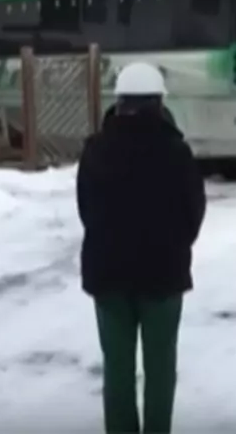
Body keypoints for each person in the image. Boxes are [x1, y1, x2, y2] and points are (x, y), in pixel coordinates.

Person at [77, 61, 206, 434]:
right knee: (161, 369)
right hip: (163, 278)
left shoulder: (95, 151)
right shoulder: (176, 152)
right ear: (159, 103)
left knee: (117, 371)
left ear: (118, 102)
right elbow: (193, 211)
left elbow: (87, 209)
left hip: (108, 277)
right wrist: (175, 246)